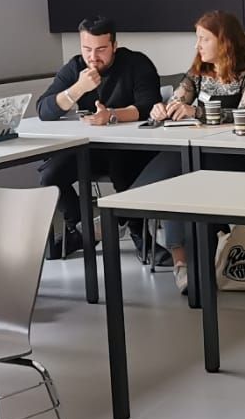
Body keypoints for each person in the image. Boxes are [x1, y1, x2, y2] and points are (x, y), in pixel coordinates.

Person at [138, 11, 245, 292]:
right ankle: (182, 264)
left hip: (235, 156)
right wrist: (162, 109)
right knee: (175, 182)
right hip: (198, 153)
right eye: (197, 38)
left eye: (204, 39)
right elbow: (177, 101)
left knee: (179, 178)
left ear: (225, 41)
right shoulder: (198, 71)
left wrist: (195, 111)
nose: (198, 45)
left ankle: (125, 214)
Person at [35, 15, 162, 257]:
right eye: (87, 49)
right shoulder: (75, 68)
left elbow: (149, 106)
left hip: (132, 147)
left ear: (114, 45)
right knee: (50, 175)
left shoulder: (136, 63)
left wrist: (111, 115)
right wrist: (77, 89)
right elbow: (44, 109)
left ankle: (139, 235)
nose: (93, 57)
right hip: (90, 148)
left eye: (101, 49)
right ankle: (81, 230)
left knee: (123, 169)